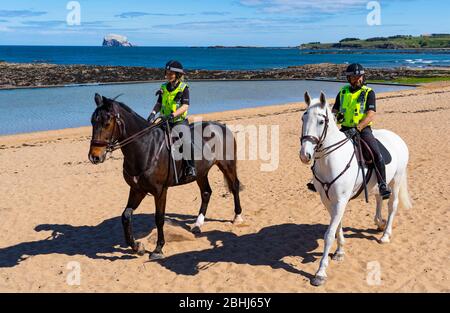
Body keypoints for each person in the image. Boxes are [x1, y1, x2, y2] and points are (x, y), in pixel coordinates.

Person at [307, 63, 391, 200]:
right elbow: (334, 112)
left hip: (363, 129)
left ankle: (383, 184)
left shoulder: (369, 92)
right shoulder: (343, 92)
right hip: (345, 129)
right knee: (320, 149)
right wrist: (336, 118)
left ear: (363, 77)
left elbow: (370, 114)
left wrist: (358, 128)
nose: (357, 79)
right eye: (353, 77)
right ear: (349, 79)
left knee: (375, 153)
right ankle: (315, 180)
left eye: (359, 77)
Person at [147, 60, 197, 179]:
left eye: (171, 73)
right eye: (167, 73)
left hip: (179, 121)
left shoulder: (184, 88)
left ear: (178, 75)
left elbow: (185, 106)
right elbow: (159, 104)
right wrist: (152, 113)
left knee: (186, 140)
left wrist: (172, 115)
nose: (168, 75)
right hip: (164, 120)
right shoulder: (163, 87)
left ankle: (191, 167)